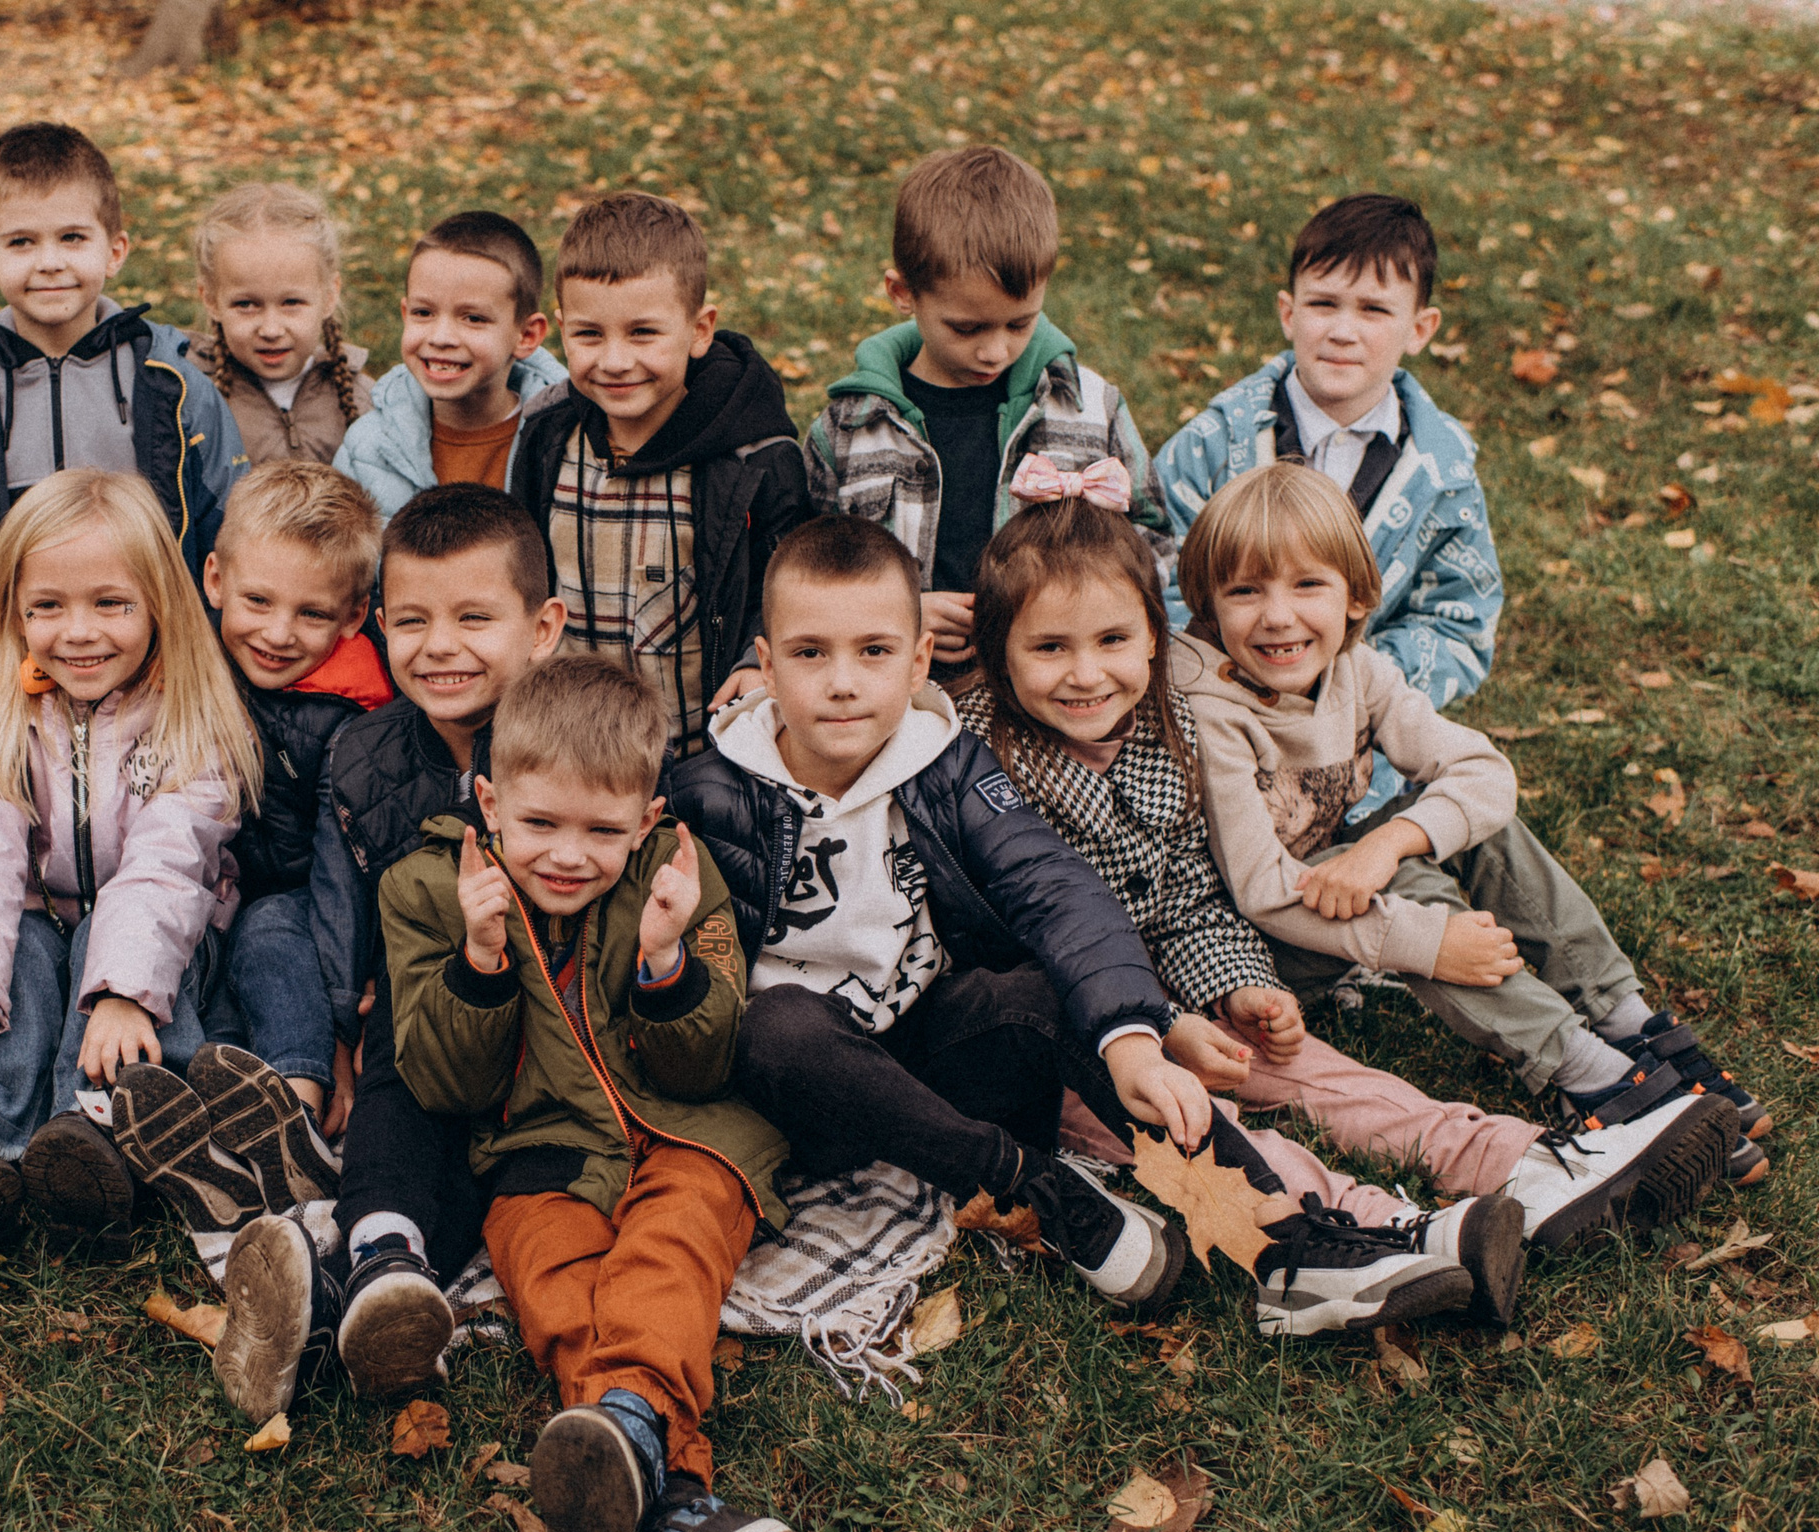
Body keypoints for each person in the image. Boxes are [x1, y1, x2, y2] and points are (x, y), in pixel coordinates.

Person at [673, 516, 1482, 1334]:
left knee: (1047, 989)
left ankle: (1286, 1247)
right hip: (812, 1101)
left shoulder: (945, 762)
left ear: (920, 661)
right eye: (812, 653)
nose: (844, 682)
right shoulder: (708, 794)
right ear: (767, 666)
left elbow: (1056, 885)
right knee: (778, 1026)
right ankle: (1043, 1193)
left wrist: (1134, 1030)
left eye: (875, 652)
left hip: (943, 1060)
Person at [959, 482, 1593, 1328]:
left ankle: (1511, 1162)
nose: (1086, 673)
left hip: (1180, 989)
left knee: (1313, 1070)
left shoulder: (1166, 728)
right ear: (1000, 656)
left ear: (1158, 639)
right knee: (1190, 1122)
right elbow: (1016, 941)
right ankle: (1361, 1227)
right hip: (1065, 1037)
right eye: (1049, 648)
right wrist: (1151, 1026)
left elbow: (1188, 894)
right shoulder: (974, 757)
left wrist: (1238, 984)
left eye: (1113, 639)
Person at [1170, 462, 1754, 1204]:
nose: (1277, 616)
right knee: (1409, 882)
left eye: (1306, 585)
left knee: (1469, 832)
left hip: (1329, 886)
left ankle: (1621, 1015)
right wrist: (1427, 941)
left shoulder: (1359, 671)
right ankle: (1585, 1070)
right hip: (1242, 954)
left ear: (1354, 595)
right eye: (1245, 591)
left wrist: (1394, 840)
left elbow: (1484, 774)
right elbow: (1259, 891)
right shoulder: (1213, 711)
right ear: (1208, 604)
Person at [381, 653, 801, 1532]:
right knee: (560, 1290)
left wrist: (666, 961)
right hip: (538, 1151)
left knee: (665, 1255)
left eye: (603, 831)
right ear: (489, 800)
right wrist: (479, 962)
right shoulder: (426, 887)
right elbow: (441, 1082)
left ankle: (631, 1448)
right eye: (540, 826)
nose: (570, 855)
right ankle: (679, 1501)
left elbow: (706, 1063)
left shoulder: (675, 874)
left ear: (647, 813)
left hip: (688, 1133)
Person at [0, 468, 316, 1260]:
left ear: (158, 602)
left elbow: (166, 866)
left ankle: (96, 1135)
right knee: (11, 952)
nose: (78, 631)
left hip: (160, 947)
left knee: (103, 950)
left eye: (110, 604)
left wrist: (123, 991)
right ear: (15, 610)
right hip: (45, 923)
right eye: (47, 607)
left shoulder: (193, 712)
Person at [212, 484, 563, 1423]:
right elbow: (340, 899)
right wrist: (333, 1031)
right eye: (411, 621)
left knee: (478, 1148)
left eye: (473, 618)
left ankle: (341, 1292)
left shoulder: (568, 735)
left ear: (543, 627)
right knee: (398, 1076)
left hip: (553, 1031)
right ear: (378, 622)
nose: (438, 646)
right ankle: (380, 1268)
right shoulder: (364, 752)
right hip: (425, 1025)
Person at [1155, 192, 1502, 820]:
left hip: (1366, 749)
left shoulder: (1444, 477)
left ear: (1420, 329)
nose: (1343, 330)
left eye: (1374, 309)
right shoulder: (1211, 447)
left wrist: (1357, 688)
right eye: (1323, 304)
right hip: (1221, 732)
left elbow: (1459, 619)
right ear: (1289, 313)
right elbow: (1155, 568)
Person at [0, 121, 242, 668]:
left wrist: (207, 655)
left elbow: (229, 534)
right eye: (21, 242)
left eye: (72, 238)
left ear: (115, 249)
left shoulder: (170, 385)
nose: (49, 261)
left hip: (156, 670)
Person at [801, 146, 1168, 676]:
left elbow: (1154, 544)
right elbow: (810, 578)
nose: (995, 351)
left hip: (1056, 698)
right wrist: (894, 616)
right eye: (967, 328)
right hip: (906, 705)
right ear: (903, 293)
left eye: (1020, 324)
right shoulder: (850, 429)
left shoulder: (1093, 409)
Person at [510, 191, 812, 757]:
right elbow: (523, 573)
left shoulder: (755, 458)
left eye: (643, 333)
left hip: (703, 751)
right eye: (589, 334)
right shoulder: (548, 438)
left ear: (700, 330)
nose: (616, 360)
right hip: (568, 751)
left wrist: (755, 659)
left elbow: (790, 585)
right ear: (561, 331)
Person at [198, 459, 393, 1133]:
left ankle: (296, 1106)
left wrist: (340, 1026)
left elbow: (342, 884)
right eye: (259, 602)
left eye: (312, 614)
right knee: (213, 960)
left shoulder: (350, 719)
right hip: (218, 891)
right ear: (216, 580)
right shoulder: (193, 668)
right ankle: (208, 1108)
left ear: (354, 615)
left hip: (318, 912)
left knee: (270, 931)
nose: (279, 634)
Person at [334, 210, 564, 513]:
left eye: (473, 318)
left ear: (526, 335)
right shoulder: (368, 448)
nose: (441, 337)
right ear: (405, 314)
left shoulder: (564, 441)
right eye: (424, 313)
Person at [187, 181, 373, 466]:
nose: (271, 330)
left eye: (291, 303)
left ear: (329, 294)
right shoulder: (187, 398)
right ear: (210, 299)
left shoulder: (364, 401)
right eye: (246, 305)